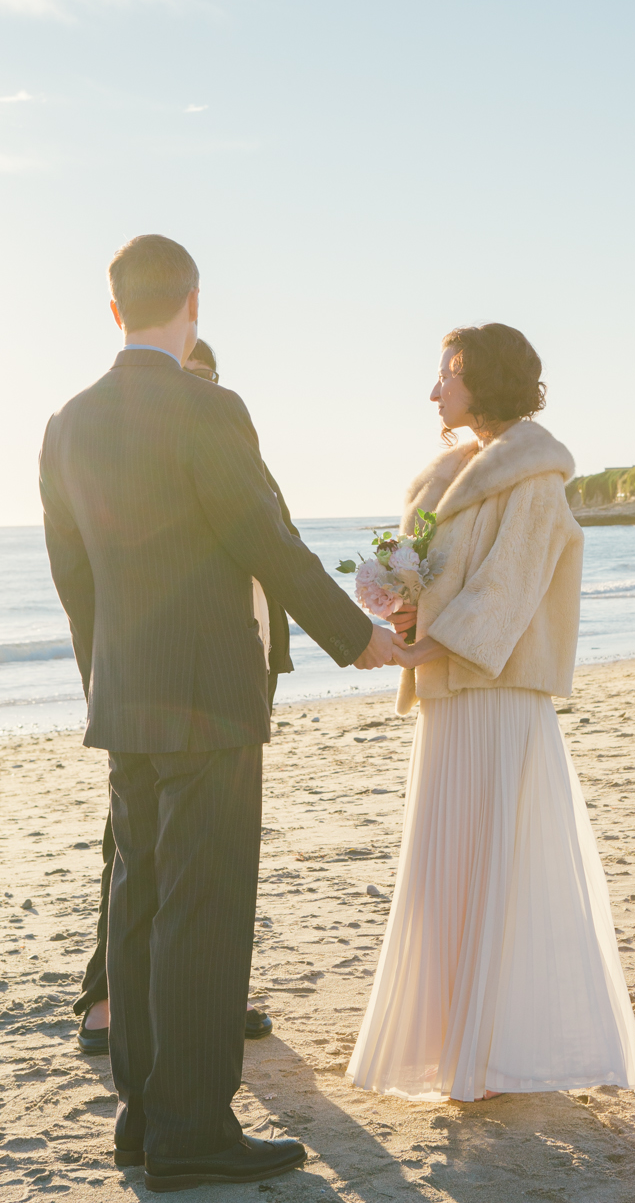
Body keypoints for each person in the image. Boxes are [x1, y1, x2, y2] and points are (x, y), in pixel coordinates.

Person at [40, 235, 400, 1191]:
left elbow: (74, 579)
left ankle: (143, 1119)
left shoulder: (65, 423)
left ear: (112, 310)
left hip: (124, 702)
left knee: (140, 899)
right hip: (209, 703)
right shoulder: (209, 407)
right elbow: (263, 536)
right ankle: (192, 1133)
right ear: (193, 304)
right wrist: (357, 637)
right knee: (201, 913)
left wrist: (101, 681)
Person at [347, 323, 635, 1102]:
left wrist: (423, 639)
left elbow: (504, 595)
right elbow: (440, 576)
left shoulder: (535, 479)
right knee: (445, 866)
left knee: (495, 863)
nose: (436, 388)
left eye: (448, 373)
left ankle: (489, 1055)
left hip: (497, 691)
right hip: (449, 693)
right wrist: (401, 606)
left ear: (485, 379)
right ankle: (452, 1047)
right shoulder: (447, 476)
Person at [74, 338, 293, 1054]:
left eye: (204, 377)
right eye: (185, 375)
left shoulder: (229, 438)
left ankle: (207, 1002)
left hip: (233, 663)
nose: (193, 388)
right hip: (162, 678)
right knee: (138, 852)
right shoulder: (137, 449)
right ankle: (106, 1000)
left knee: (206, 854)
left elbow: (272, 545)